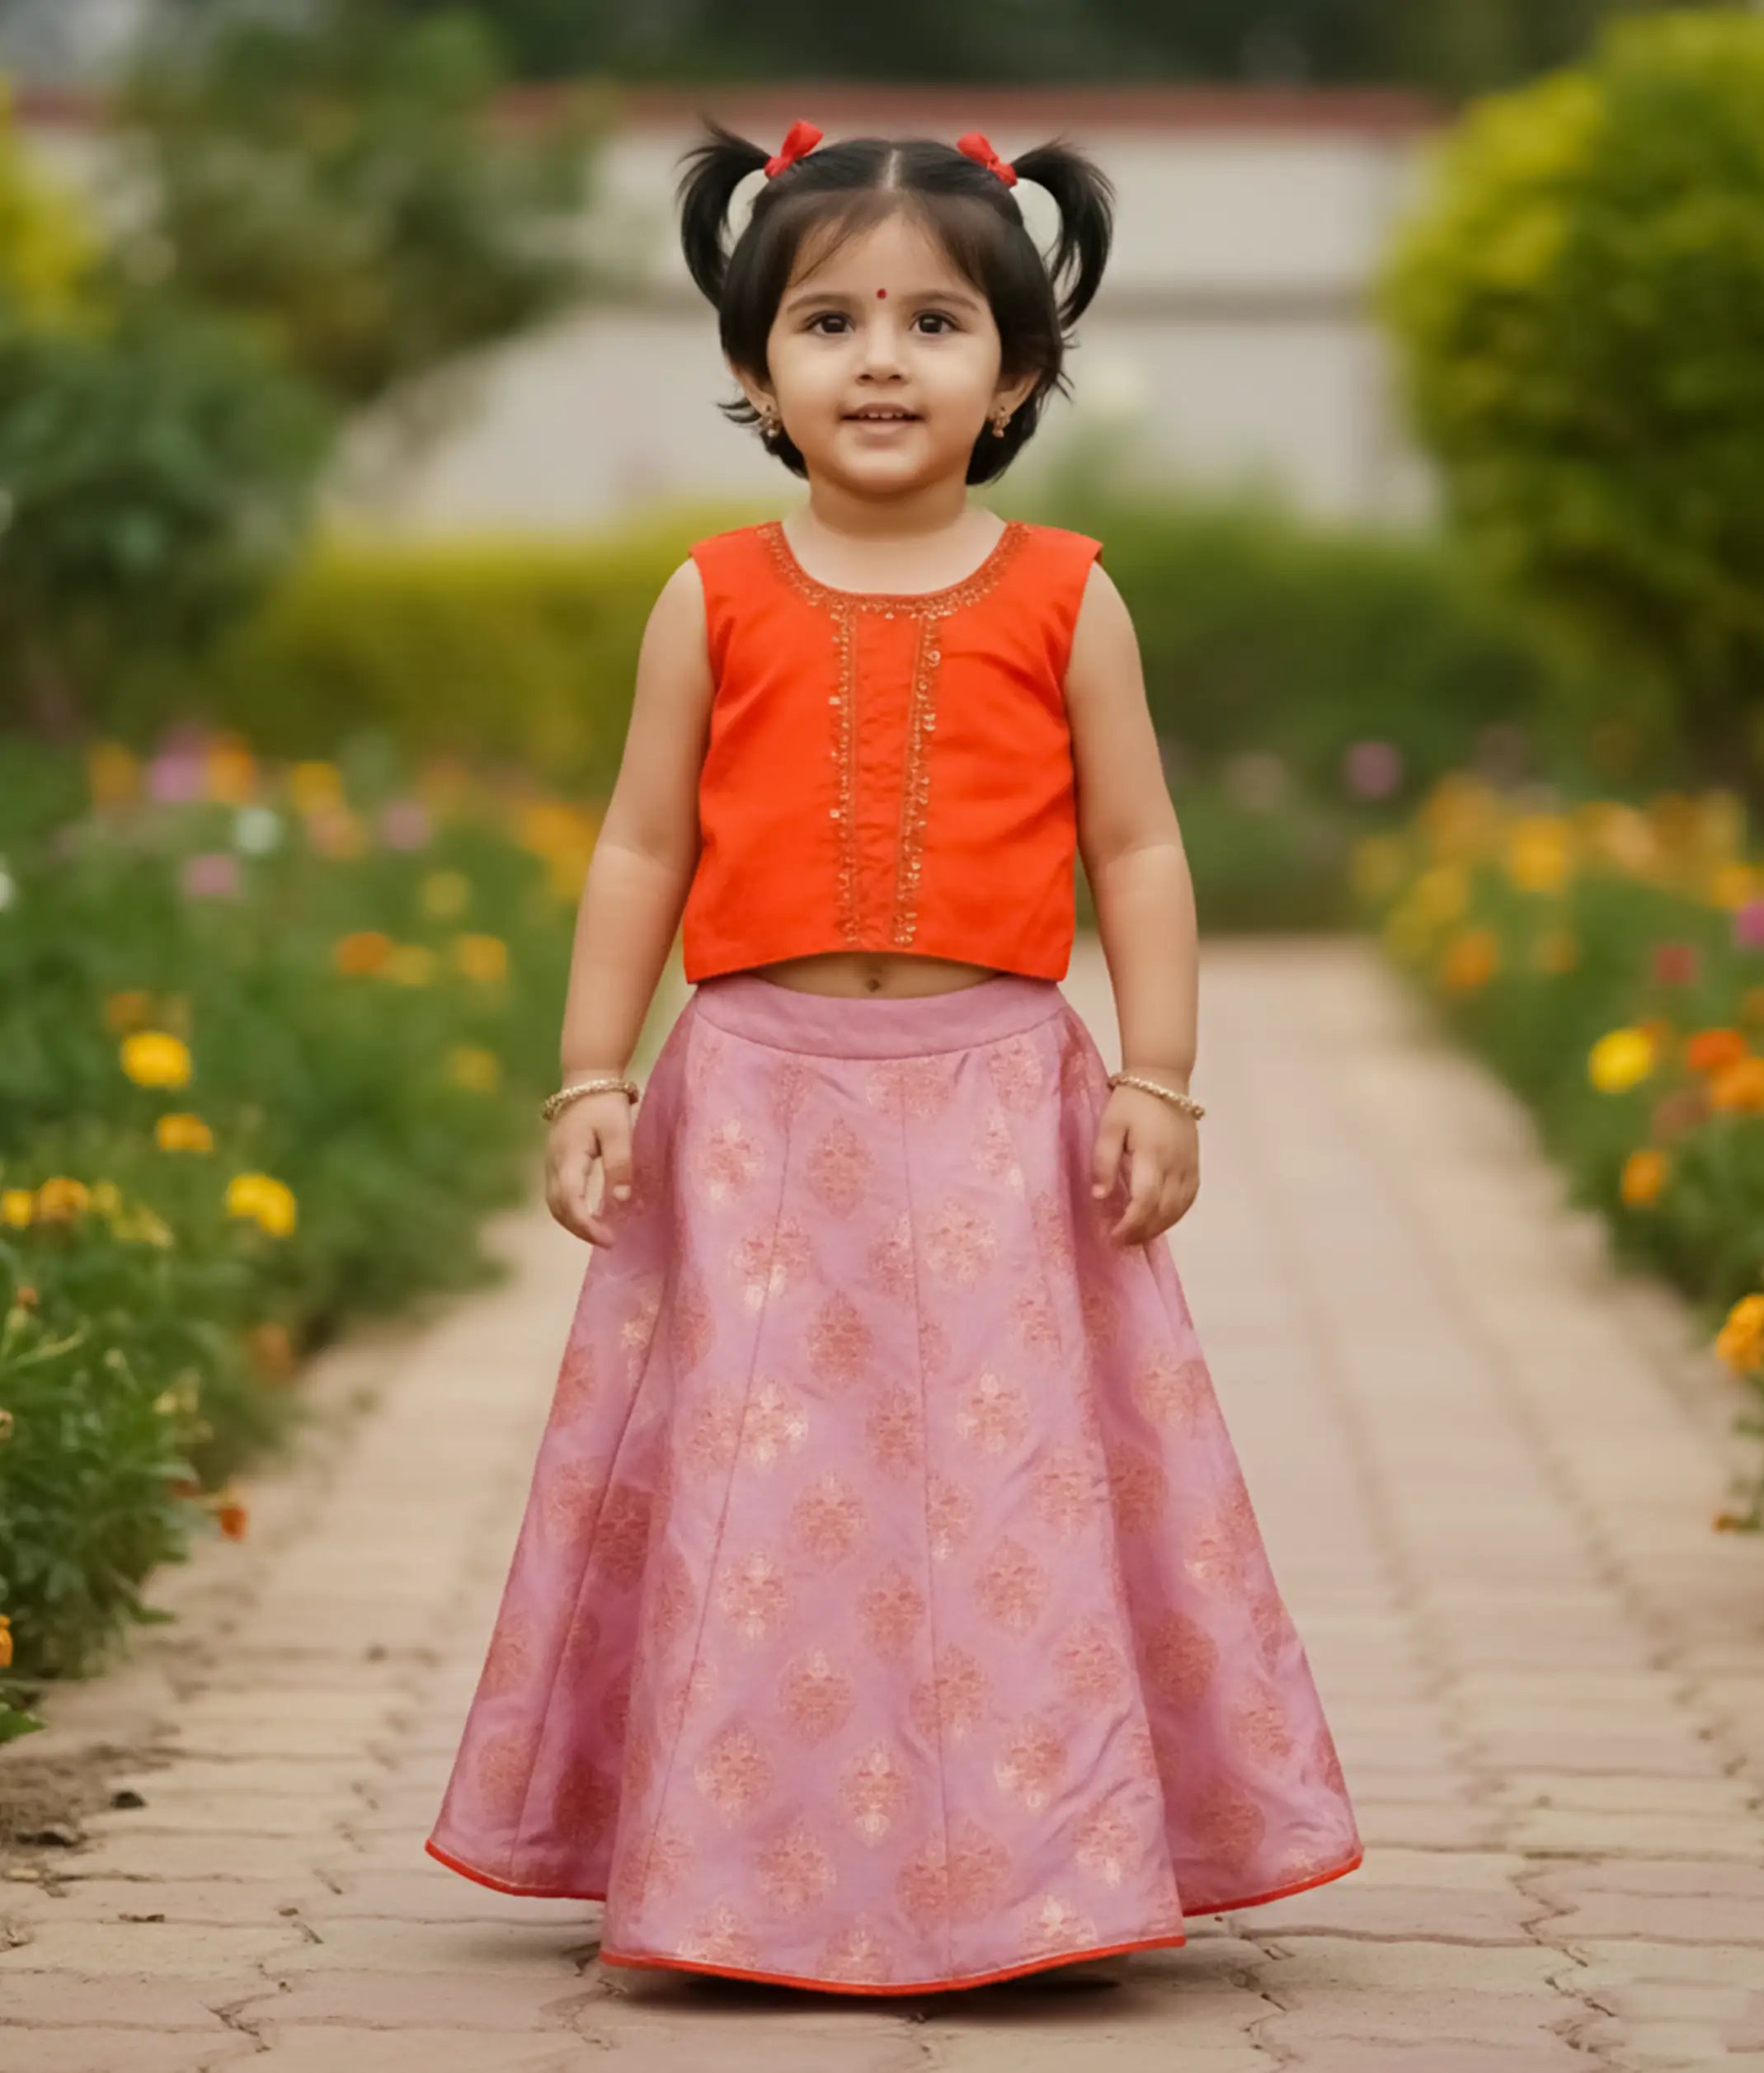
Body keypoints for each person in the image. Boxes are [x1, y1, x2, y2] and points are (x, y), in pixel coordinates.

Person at [424, 116, 1362, 1997]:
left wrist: (1156, 1082)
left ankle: (1037, 1852)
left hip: (1001, 1106)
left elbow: (1140, 849)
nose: (876, 358)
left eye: (932, 324)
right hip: (756, 1106)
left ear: (1015, 371)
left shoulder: (1064, 594)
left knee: (1007, 1488)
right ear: (753, 366)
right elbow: (636, 845)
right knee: (756, 1488)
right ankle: (730, 1862)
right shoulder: (707, 595)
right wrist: (591, 1073)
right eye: (828, 320)